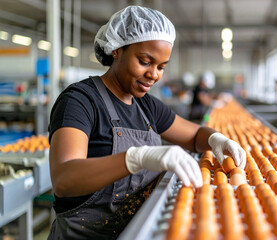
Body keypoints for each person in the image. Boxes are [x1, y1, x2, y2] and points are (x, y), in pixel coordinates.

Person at [47, 6, 246, 239]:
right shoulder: (80, 101)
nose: (154, 74)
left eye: (161, 66)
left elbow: (194, 136)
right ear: (117, 50)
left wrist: (215, 139)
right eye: (145, 61)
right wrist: (136, 158)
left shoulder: (147, 106)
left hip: (139, 231)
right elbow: (64, 178)